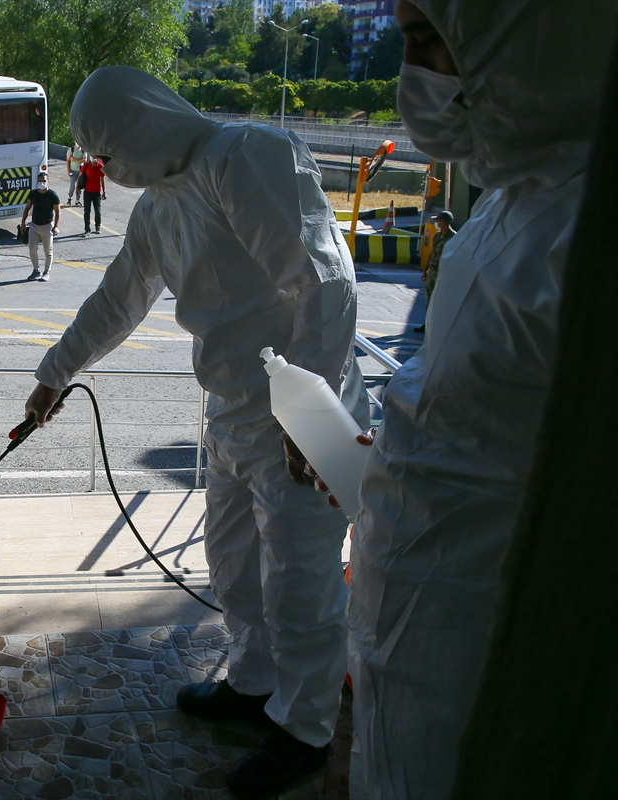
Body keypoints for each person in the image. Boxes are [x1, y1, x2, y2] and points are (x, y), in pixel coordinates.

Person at [23, 66, 368, 799]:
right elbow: (119, 298)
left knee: (303, 583)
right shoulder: (160, 207)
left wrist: (310, 419)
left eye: (108, 155)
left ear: (143, 125)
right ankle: (253, 683)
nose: (107, 173)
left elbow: (326, 282)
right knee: (235, 563)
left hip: (305, 413)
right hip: (234, 413)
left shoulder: (244, 155)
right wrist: (54, 373)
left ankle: (305, 733)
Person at [335, 2, 618, 798]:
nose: (411, 76)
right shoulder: (509, 201)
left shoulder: (585, 237)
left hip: (482, 667)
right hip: (410, 644)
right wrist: (389, 450)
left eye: (431, 41)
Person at [413, 210, 455, 333]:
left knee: (442, 299)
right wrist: (425, 270)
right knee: (429, 298)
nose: (437, 222)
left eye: (439, 220)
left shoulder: (454, 238)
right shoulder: (437, 236)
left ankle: (441, 325)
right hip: (433, 271)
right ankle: (428, 324)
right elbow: (431, 253)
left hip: (444, 272)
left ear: (445, 222)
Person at [20, 172, 61, 282]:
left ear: (48, 182)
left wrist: (56, 226)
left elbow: (57, 211)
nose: (42, 183)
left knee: (48, 251)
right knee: (32, 249)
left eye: (44, 181)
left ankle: (46, 272)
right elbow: (28, 207)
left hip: (47, 226)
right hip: (34, 226)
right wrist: (23, 222)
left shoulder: (52, 195)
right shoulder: (33, 194)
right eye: (40, 181)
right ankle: (36, 270)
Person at [78, 154, 106, 235]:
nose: (92, 158)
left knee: (97, 210)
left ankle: (98, 227)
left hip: (97, 192)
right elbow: (80, 177)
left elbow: (103, 180)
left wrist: (104, 192)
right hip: (87, 192)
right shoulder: (86, 166)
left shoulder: (100, 166)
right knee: (87, 211)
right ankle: (87, 229)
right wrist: (77, 189)